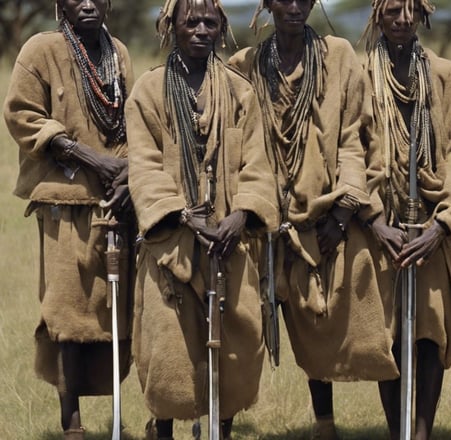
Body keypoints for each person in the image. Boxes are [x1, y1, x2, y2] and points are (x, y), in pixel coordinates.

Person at [228, 1, 399, 438]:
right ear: (268, 4)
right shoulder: (244, 65)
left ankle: (373, 427)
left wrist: (342, 215)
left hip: (327, 218)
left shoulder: (338, 56)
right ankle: (219, 422)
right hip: (262, 226)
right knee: (240, 326)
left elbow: (357, 137)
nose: (294, 7)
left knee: (350, 323)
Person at [125, 0, 278, 439]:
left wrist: (242, 213)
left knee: (237, 349)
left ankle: (222, 427)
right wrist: (184, 218)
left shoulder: (239, 91)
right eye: (190, 21)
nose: (200, 30)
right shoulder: (150, 91)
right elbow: (145, 165)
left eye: (211, 22)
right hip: (170, 244)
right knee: (169, 350)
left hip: (230, 244)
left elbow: (257, 163)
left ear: (222, 29)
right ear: (171, 25)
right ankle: (165, 428)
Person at [3, 0, 134, 438]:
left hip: (115, 206)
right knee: (64, 313)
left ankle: (118, 419)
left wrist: (128, 174)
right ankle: (71, 423)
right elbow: (22, 114)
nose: (88, 3)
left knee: (114, 312)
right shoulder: (40, 50)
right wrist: (88, 157)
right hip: (64, 206)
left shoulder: (118, 53)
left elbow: (133, 121)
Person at [361, 1, 451, 439]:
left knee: (430, 332)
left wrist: (444, 223)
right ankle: (396, 431)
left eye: (411, 10)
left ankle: (422, 430)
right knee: (386, 335)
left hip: (431, 225)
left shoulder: (447, 75)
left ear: (422, 16)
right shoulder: (361, 75)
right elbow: (350, 145)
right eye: (393, 10)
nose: (403, 19)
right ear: (379, 16)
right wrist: (373, 220)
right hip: (382, 226)